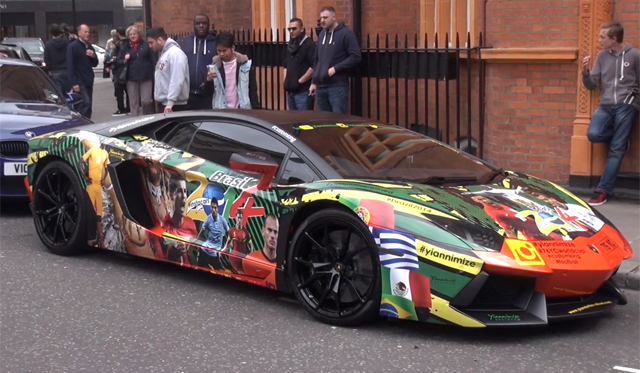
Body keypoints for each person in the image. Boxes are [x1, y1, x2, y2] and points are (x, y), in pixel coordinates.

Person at [582, 21, 640, 206]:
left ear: (614, 39)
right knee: (594, 134)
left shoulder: (635, 55)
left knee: (616, 150)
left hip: (626, 104)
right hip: (606, 104)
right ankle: (620, 139)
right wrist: (585, 72)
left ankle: (602, 190)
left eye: (602, 37)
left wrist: (634, 98)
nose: (599, 40)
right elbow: (592, 84)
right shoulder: (601, 56)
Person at [309, 6, 361, 113]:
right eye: (321, 18)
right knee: (324, 122)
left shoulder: (346, 34)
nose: (322, 20)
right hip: (321, 86)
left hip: (337, 86)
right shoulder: (322, 34)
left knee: (338, 121)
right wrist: (314, 82)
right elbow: (316, 59)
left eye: (325, 17)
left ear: (333, 17)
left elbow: (355, 56)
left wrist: (335, 69)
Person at [207, 31, 260, 109]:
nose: (221, 54)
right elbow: (209, 93)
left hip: (242, 110)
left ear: (232, 48)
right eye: (219, 51)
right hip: (221, 110)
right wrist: (208, 81)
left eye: (224, 50)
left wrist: (256, 109)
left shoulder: (245, 65)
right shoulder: (215, 66)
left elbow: (252, 89)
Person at [146, 27, 190, 113]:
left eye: (151, 42)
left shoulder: (175, 53)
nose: (150, 46)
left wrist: (170, 102)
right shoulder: (164, 54)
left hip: (174, 105)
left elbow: (177, 79)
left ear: (159, 39)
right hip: (167, 103)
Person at [180, 14, 218, 110]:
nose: (201, 26)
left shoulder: (215, 42)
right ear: (193, 25)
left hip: (209, 93)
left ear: (209, 25)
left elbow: (229, 54)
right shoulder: (185, 42)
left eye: (204, 23)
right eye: (198, 23)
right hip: (188, 94)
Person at [117, 25, 156, 116]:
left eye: (134, 34)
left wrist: (154, 73)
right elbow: (118, 61)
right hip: (131, 77)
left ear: (139, 34)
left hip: (146, 77)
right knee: (134, 103)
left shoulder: (146, 45)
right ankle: (135, 121)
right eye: (130, 34)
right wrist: (125, 60)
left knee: (146, 101)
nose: (132, 36)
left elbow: (153, 60)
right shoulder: (125, 46)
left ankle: (146, 118)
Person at [66, 24, 99, 118]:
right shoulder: (73, 46)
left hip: (88, 80)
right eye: (85, 32)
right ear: (79, 33)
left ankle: (87, 122)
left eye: (88, 32)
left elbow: (95, 63)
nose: (87, 34)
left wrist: (93, 56)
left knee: (89, 106)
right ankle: (80, 122)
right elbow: (70, 65)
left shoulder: (89, 46)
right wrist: (74, 83)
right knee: (85, 103)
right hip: (79, 80)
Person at [282, 18, 315, 110]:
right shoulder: (290, 45)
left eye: (294, 28)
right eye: (289, 29)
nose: (291, 31)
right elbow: (285, 65)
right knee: (293, 120)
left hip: (303, 91)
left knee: (303, 120)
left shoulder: (309, 44)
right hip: (291, 91)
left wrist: (300, 81)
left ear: (301, 29)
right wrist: (285, 80)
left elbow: (313, 66)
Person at [105, 28, 130, 116]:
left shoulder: (117, 44)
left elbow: (111, 56)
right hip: (128, 70)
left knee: (119, 91)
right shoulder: (129, 43)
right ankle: (129, 107)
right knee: (128, 90)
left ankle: (121, 108)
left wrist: (110, 63)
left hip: (118, 70)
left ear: (118, 34)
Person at [44, 23, 71, 94]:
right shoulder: (66, 43)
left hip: (54, 72)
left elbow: (46, 60)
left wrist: (48, 70)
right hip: (66, 71)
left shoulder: (48, 45)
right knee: (67, 94)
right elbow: (70, 57)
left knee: (58, 95)